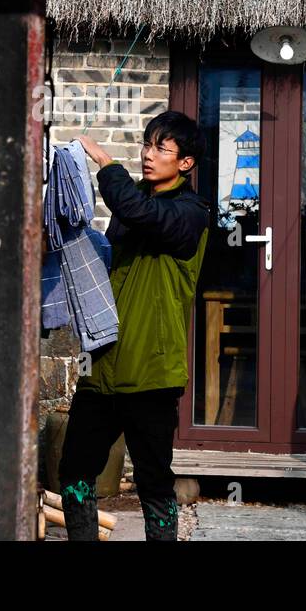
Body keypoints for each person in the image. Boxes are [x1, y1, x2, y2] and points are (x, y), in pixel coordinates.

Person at [57, 110, 211, 541]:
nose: (148, 154)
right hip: (103, 365)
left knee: (153, 480)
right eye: (147, 144)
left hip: (152, 371)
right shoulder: (132, 204)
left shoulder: (190, 212)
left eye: (161, 148)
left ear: (185, 163)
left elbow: (142, 211)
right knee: (74, 471)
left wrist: (106, 163)